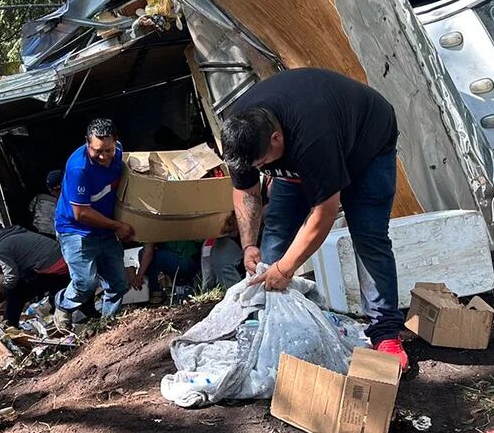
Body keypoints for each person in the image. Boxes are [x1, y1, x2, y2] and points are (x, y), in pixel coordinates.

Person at [222, 68, 407, 369]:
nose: (260, 168)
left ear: (276, 138)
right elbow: (246, 192)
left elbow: (325, 211)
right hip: (304, 158)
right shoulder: (241, 136)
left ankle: (385, 332)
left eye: (263, 163)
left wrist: (286, 268)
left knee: (368, 236)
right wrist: (247, 245)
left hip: (366, 146)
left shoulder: (311, 133)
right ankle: (269, 320)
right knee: (275, 238)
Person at [52, 118, 135, 330]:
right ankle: (63, 305)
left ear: (116, 142)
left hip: (105, 227)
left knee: (118, 283)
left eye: (108, 150)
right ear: (88, 144)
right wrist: (117, 226)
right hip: (76, 230)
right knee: (85, 284)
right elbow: (81, 213)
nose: (104, 156)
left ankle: (108, 326)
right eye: (97, 150)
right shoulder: (78, 168)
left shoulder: (119, 154)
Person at [0, 220, 69, 328]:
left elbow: (11, 279)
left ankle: (9, 326)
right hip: (66, 261)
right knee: (24, 280)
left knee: (15, 291)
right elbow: (26, 258)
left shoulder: (2, 248)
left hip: (56, 271)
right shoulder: (17, 233)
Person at [132, 241, 200, 304]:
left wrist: (140, 275)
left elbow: (148, 252)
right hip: (193, 259)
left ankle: (156, 293)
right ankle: (183, 285)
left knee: (143, 253)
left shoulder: (150, 229)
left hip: (184, 261)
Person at [28, 170, 62, 236]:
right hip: (52, 233)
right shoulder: (65, 202)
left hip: (38, 230)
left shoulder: (39, 198)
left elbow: (30, 210)